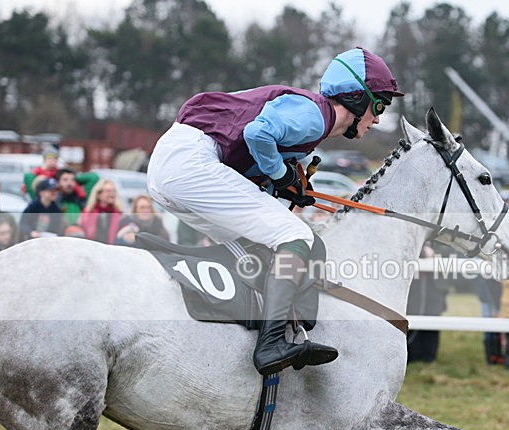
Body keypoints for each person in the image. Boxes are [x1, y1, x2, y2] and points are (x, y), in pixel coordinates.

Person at [146, 46, 403, 376]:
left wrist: (280, 182)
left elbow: (254, 156)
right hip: (190, 161)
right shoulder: (315, 114)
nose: (378, 118)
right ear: (356, 97)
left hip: (173, 169)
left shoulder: (313, 122)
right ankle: (270, 343)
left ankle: (241, 335)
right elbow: (257, 133)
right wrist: (283, 176)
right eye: (379, 104)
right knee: (295, 234)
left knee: (259, 244)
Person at [406, 244, 447, 364]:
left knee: (432, 321)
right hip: (414, 289)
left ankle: (429, 357)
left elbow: (448, 250)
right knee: (411, 319)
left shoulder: (441, 236)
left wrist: (433, 253)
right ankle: (412, 356)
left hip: (434, 289)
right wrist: (423, 251)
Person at [80, 179, 124, 244]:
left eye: (114, 191)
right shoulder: (88, 212)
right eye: (108, 191)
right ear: (98, 195)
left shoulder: (119, 214)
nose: (112, 193)